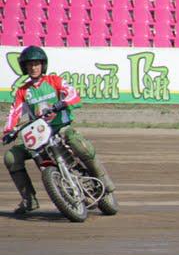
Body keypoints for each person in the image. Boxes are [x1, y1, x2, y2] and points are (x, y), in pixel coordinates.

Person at [2, 47, 115, 216]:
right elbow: (14, 113)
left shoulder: (55, 80)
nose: (33, 67)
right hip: (39, 134)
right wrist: (8, 131)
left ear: (43, 65)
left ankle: (103, 180)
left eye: (37, 64)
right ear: (24, 67)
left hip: (60, 128)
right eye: (30, 65)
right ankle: (29, 200)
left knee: (76, 141)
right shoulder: (22, 91)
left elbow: (74, 95)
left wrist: (63, 103)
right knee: (11, 157)